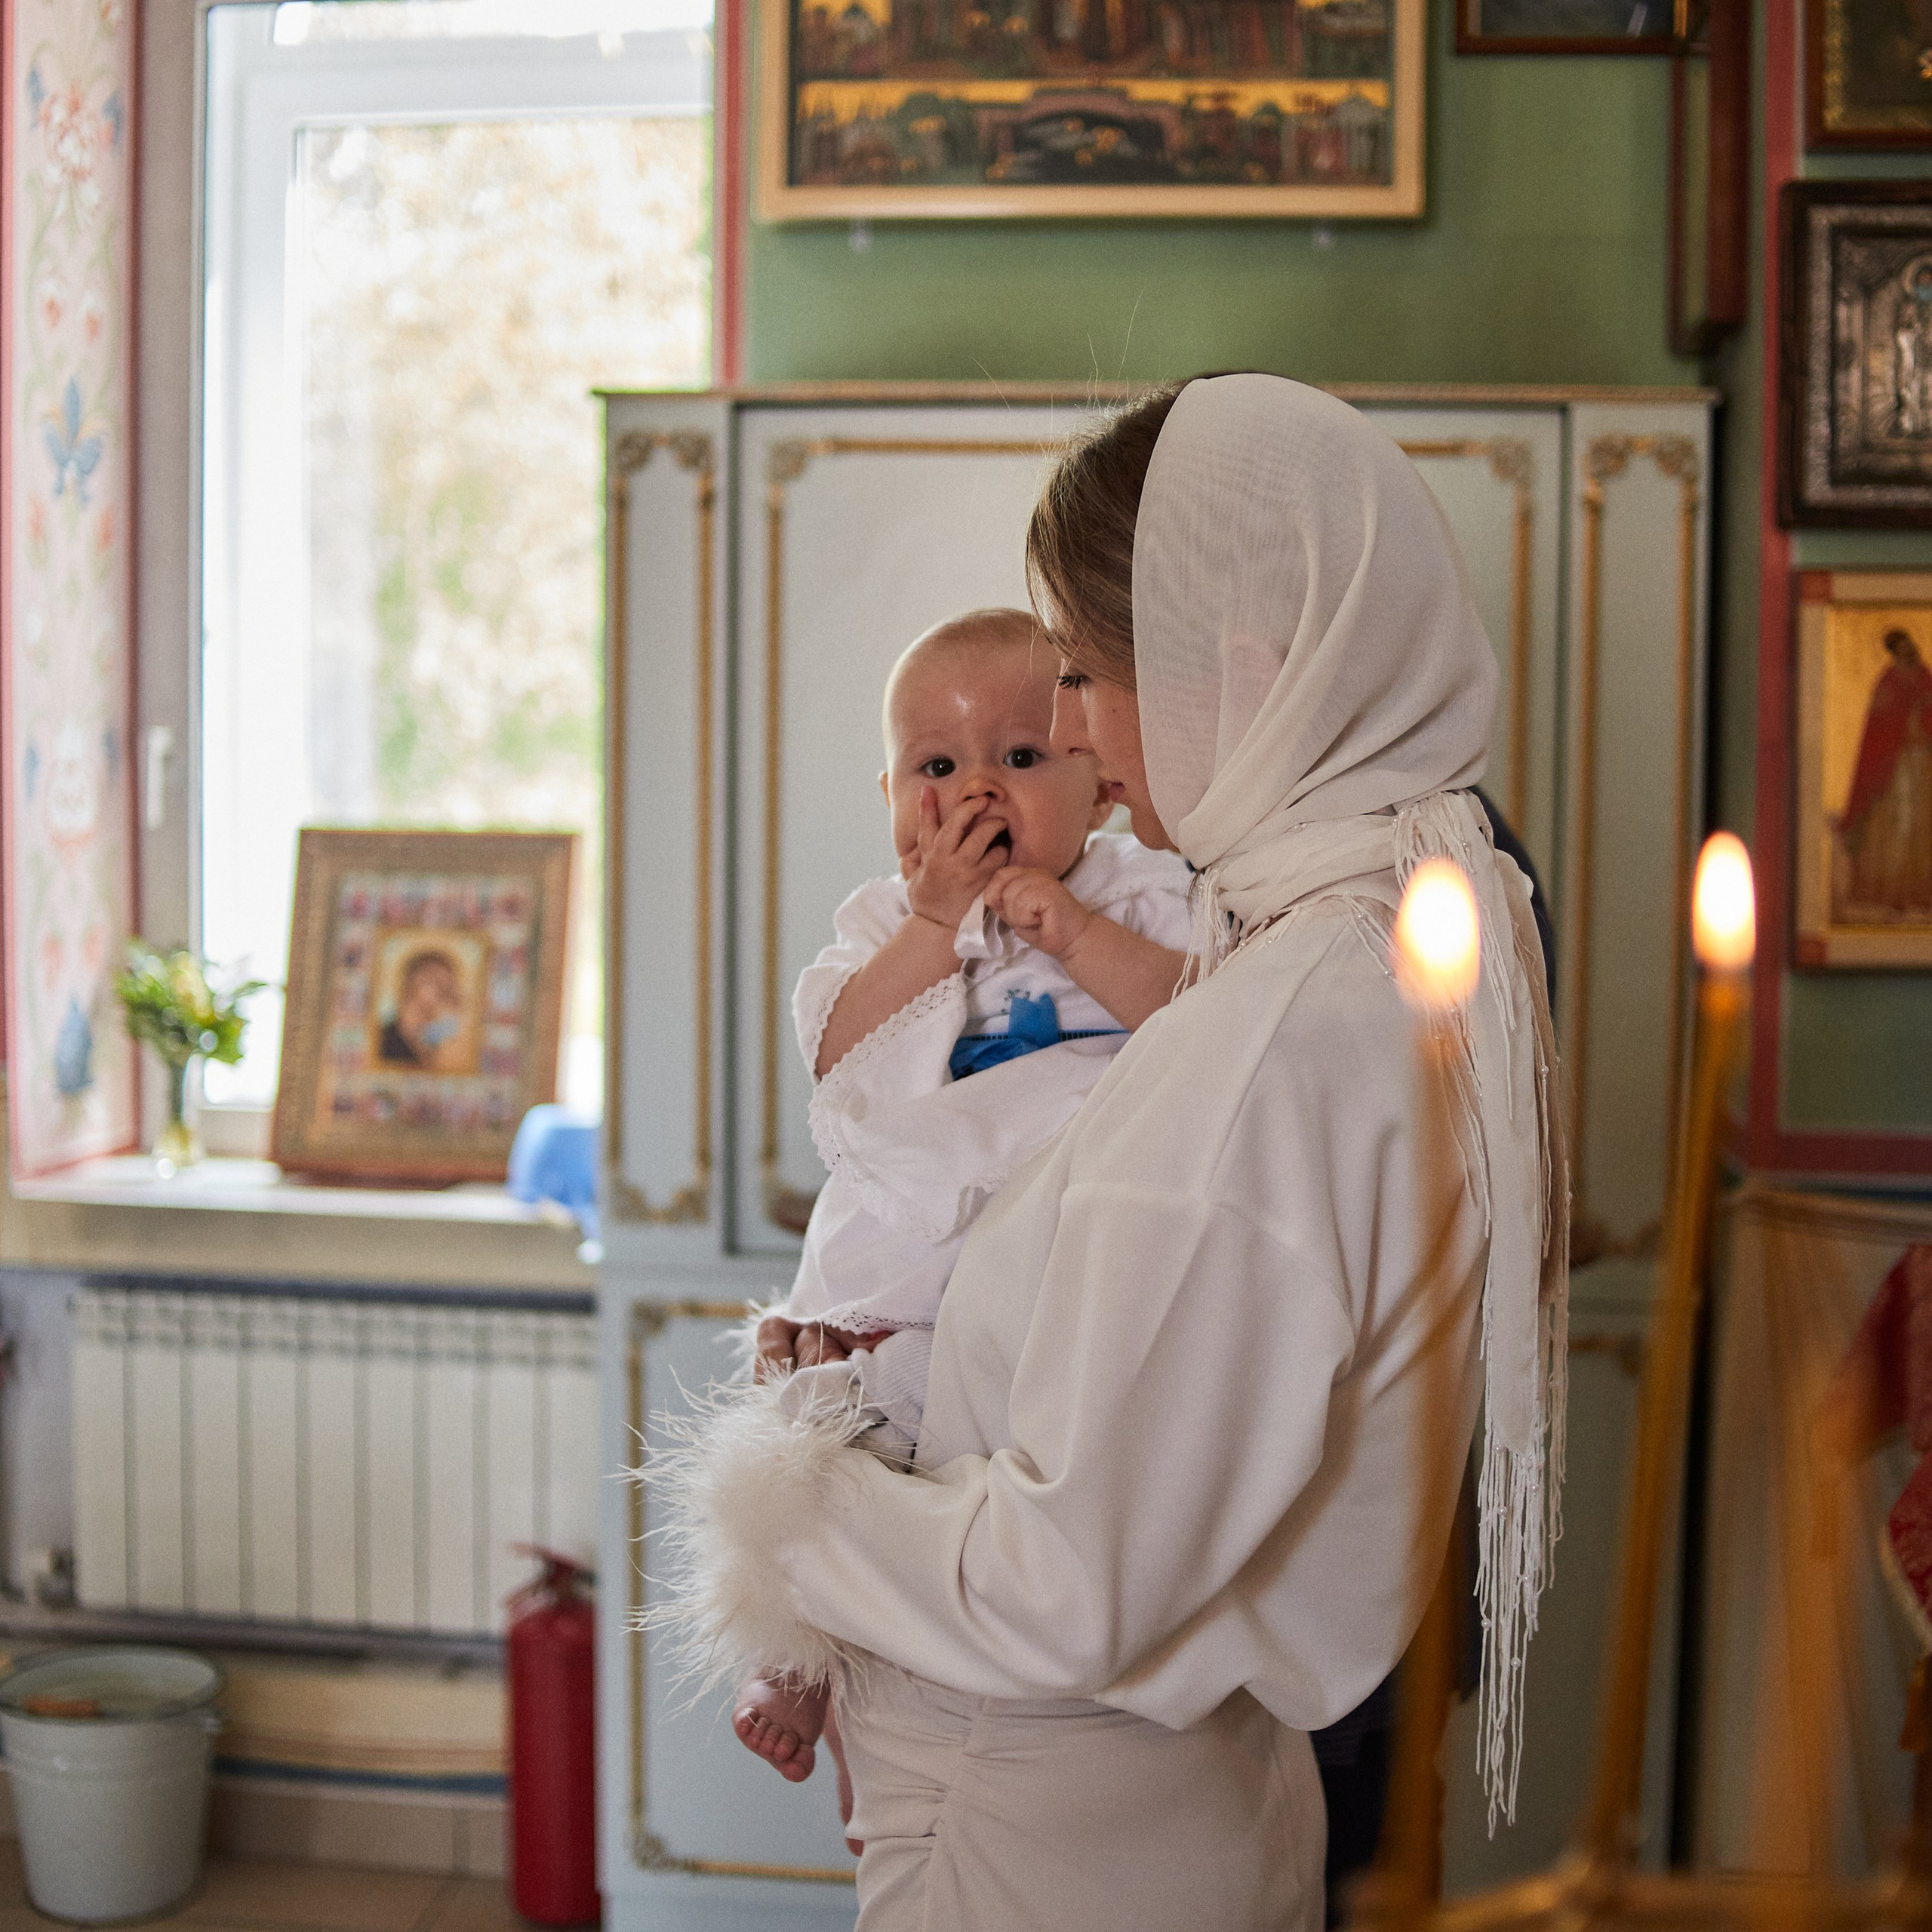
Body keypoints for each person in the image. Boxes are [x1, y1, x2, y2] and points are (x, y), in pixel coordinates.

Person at [655, 375, 1567, 1931]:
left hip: (1035, 1819)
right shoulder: (1402, 932)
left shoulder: (1273, 1023)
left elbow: (1061, 1580)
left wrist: (791, 1480)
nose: (1068, 732)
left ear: (1237, 667)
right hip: (1184, 1793)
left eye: (1082, 675)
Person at [732, 606, 1191, 1787]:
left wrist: (1078, 935)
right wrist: (938, 925)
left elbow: (1206, 1028)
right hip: (905, 1246)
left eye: (1022, 757)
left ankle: (910, 1676)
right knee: (824, 1426)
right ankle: (805, 1656)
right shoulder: (886, 922)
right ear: (893, 798)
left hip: (1051, 1239)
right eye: (938, 768)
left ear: (1099, 781)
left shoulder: (1147, 899)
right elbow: (839, 1057)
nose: (978, 789)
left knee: (966, 1452)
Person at [1838, 626, 1932, 918]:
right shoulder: (1889, 680)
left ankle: (1921, 892)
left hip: (1925, 759)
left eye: (1910, 645)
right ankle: (1892, 893)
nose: (1909, 651)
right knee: (1899, 822)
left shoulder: (1925, 675)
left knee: (1924, 823)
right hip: (1897, 764)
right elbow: (1881, 722)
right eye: (1902, 647)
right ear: (1895, 651)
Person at [377, 948, 463, 1069]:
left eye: (447, 987)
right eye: (434, 983)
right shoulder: (382, 1041)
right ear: (409, 985)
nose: (443, 995)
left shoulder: (434, 1044)